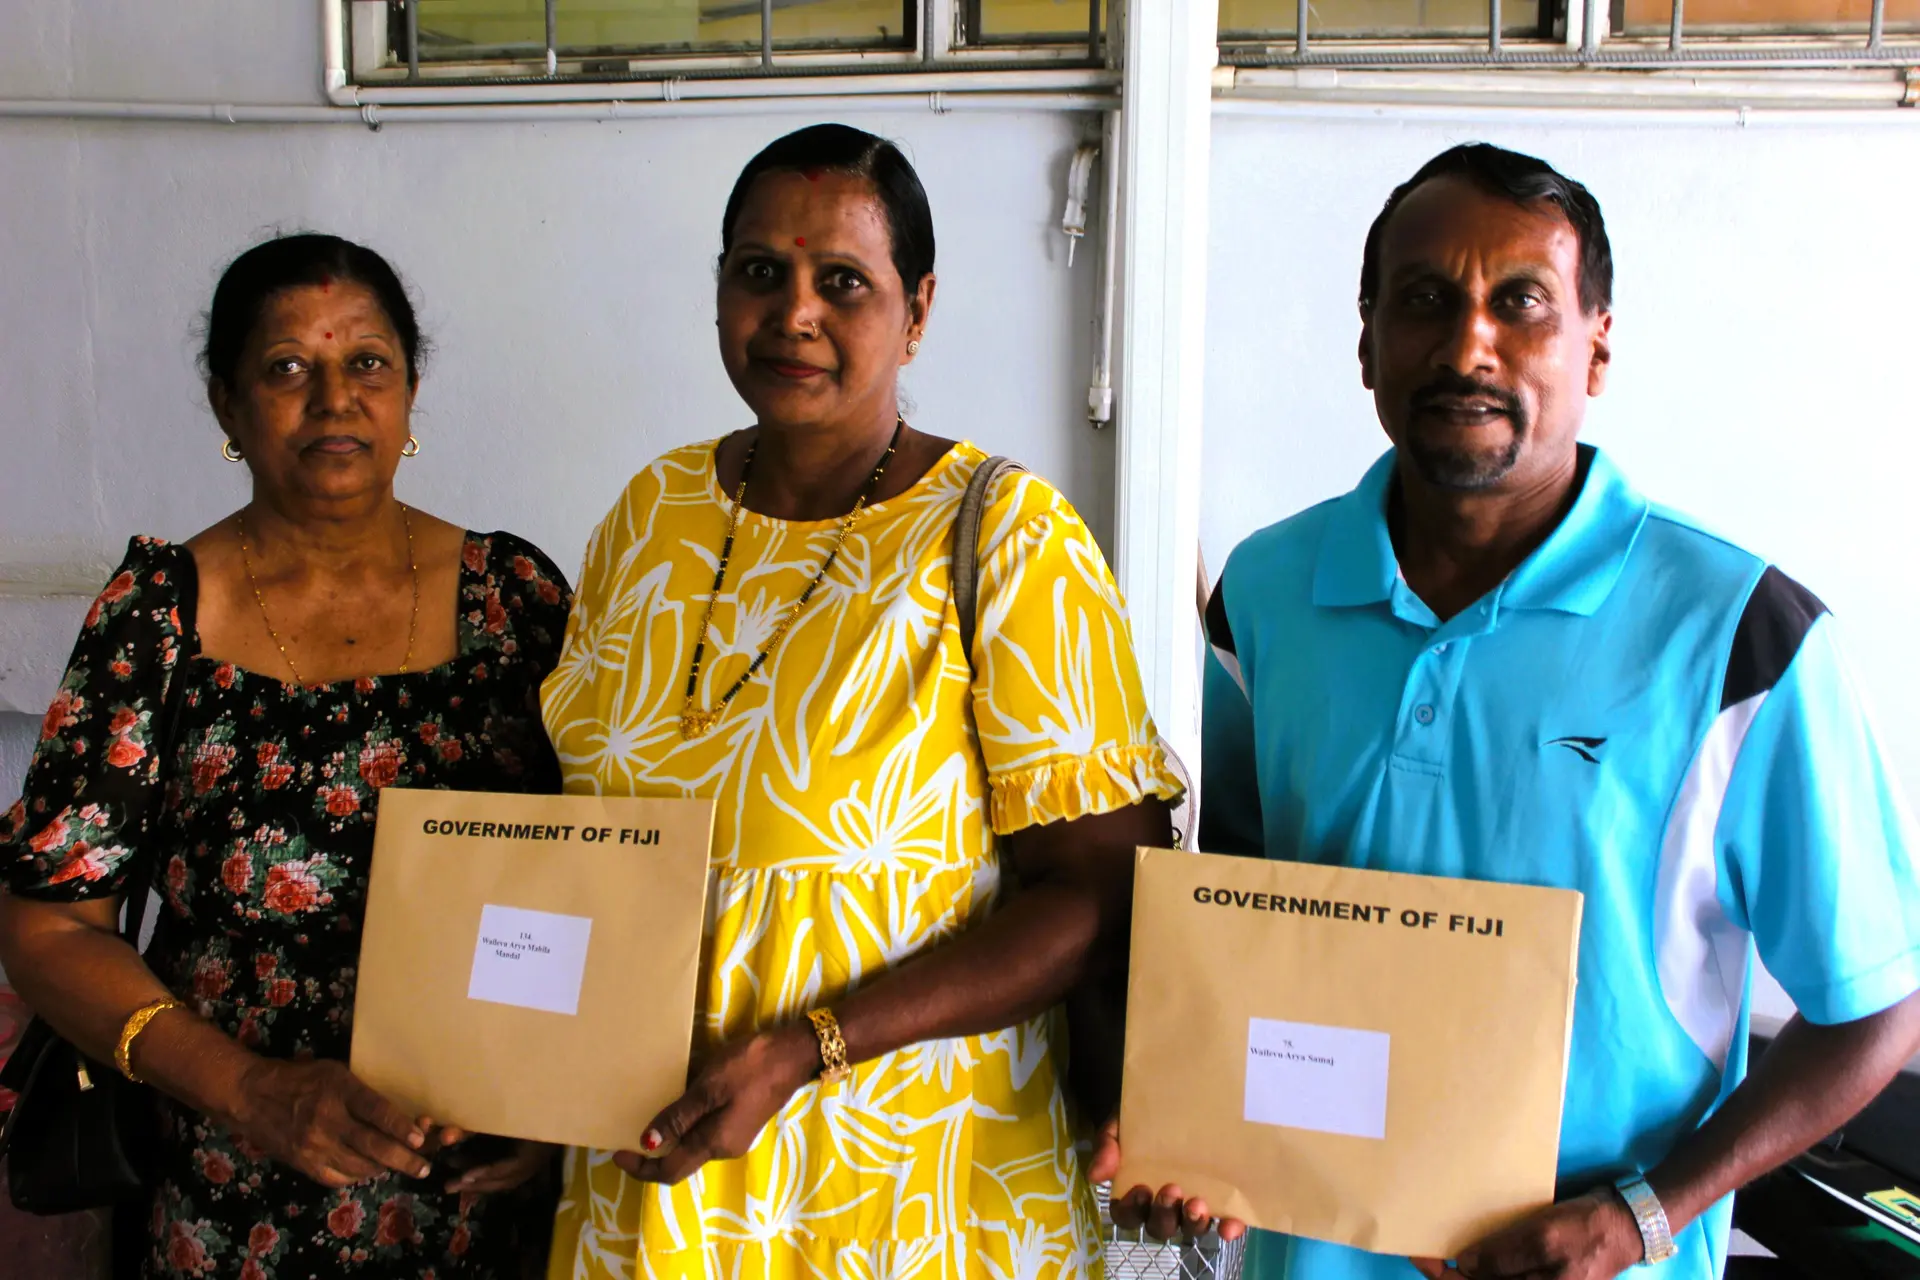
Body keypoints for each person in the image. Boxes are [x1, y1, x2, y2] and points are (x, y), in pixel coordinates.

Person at [1105, 143, 1920, 1279]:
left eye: (1519, 302)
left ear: (1597, 340)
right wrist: (1192, 1137)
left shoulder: (1741, 631)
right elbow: (1251, 902)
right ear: (1366, 341)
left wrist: (1642, 1212)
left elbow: (1877, 1005)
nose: (1466, 344)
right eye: (1423, 300)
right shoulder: (1269, 591)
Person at [539, 122, 1185, 1280]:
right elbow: (580, 842)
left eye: (843, 281)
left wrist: (808, 1047)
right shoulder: (650, 514)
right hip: (650, 1182)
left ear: (917, 309)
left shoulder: (1007, 536)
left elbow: (1103, 894)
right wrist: (513, 1076)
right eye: (758, 274)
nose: (793, 313)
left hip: (909, 1191)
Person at [0, 233, 574, 1279]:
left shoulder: (514, 601)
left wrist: (562, 1100)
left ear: (409, 392)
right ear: (227, 406)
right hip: (234, 1188)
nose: (334, 398)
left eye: (367, 362)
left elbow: (599, 875)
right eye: (286, 368)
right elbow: (47, 928)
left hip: (480, 1183)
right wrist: (251, 1092)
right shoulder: (158, 620)